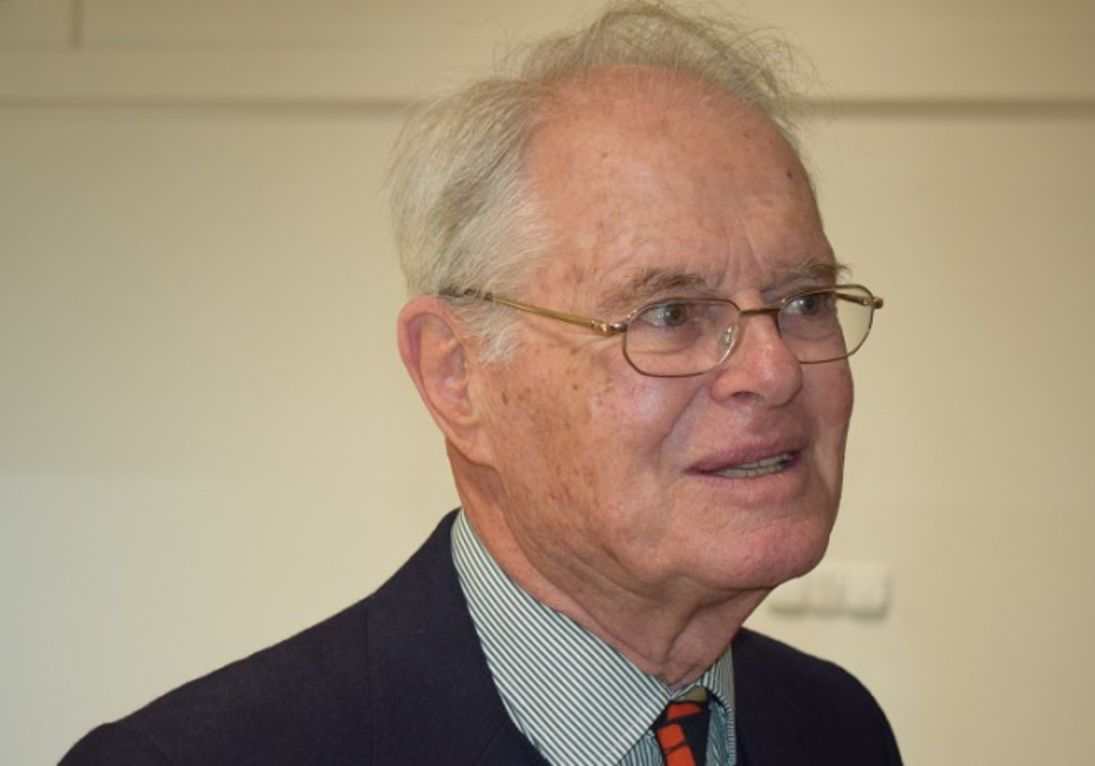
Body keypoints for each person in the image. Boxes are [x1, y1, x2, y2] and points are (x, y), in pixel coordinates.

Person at [62, 1, 898, 763]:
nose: (774, 370)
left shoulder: (838, 726)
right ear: (457, 376)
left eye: (805, 301)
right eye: (670, 314)